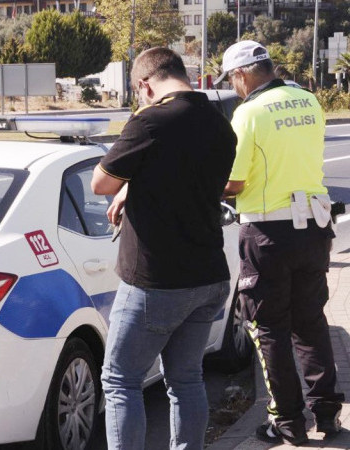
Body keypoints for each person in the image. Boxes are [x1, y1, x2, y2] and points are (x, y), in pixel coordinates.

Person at [91, 47, 237, 449]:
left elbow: (100, 183)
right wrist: (134, 186)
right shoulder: (220, 123)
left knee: (120, 380)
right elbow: (185, 178)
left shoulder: (150, 120)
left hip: (156, 281)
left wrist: (125, 182)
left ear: (145, 84)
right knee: (186, 379)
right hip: (209, 275)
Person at [219, 40, 344, 446]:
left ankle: (287, 421)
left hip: (268, 233)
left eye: (232, 80)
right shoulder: (309, 101)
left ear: (241, 75)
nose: (234, 87)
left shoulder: (248, 112)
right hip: (314, 228)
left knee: (268, 327)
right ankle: (327, 412)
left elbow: (235, 182)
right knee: (310, 322)